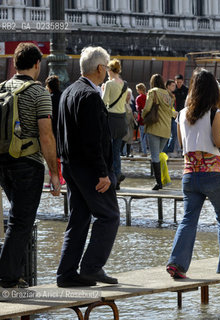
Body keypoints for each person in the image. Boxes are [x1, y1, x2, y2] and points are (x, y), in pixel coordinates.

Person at [166, 68, 220, 279]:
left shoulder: (181, 114)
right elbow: (218, 141)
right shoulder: (214, 113)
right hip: (213, 172)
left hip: (190, 173)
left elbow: (181, 143)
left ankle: (177, 263)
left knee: (188, 219)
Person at [56, 46, 120, 287]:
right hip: (89, 168)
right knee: (109, 216)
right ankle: (92, 267)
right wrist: (103, 173)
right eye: (106, 68)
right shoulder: (91, 96)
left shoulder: (68, 92)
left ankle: (66, 274)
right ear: (101, 68)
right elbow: (94, 139)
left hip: (70, 166)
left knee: (79, 218)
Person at [0, 42, 60, 289]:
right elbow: (46, 135)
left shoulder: (1, 88)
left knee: (18, 218)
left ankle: (17, 275)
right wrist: (54, 173)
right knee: (21, 221)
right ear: (38, 64)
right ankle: (6, 278)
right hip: (27, 164)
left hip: (3, 162)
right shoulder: (38, 93)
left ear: (15, 63)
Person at [142, 74, 175, 190]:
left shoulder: (153, 92)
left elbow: (147, 108)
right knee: (160, 154)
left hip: (155, 128)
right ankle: (164, 180)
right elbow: (172, 113)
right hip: (166, 130)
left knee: (155, 156)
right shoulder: (169, 95)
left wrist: (143, 115)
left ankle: (158, 183)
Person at [102, 59, 128, 189]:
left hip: (111, 119)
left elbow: (104, 102)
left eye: (107, 70)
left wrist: (102, 90)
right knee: (116, 150)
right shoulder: (125, 84)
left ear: (111, 70)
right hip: (121, 120)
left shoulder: (109, 84)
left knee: (108, 150)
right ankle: (117, 174)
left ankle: (112, 175)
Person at [45, 74, 66, 185]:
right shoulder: (63, 96)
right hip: (62, 129)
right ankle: (62, 178)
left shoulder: (49, 98)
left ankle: (52, 179)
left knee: (51, 156)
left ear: (48, 86)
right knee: (60, 156)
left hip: (51, 129)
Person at [163, 79, 179, 156]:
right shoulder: (165, 94)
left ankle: (169, 149)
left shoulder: (172, 95)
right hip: (167, 116)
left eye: (174, 85)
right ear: (168, 86)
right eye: (172, 85)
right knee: (167, 134)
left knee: (174, 133)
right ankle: (165, 150)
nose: (174, 87)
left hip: (173, 116)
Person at [122, 88, 137, 157]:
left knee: (130, 138)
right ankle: (121, 151)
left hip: (131, 124)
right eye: (127, 95)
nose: (129, 96)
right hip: (125, 124)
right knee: (125, 137)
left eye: (129, 95)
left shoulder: (130, 104)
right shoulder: (122, 104)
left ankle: (128, 153)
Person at [135, 83, 148, 156]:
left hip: (142, 119)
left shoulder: (139, 98)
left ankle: (144, 152)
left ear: (140, 90)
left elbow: (138, 108)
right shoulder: (148, 96)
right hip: (149, 119)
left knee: (142, 136)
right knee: (147, 136)